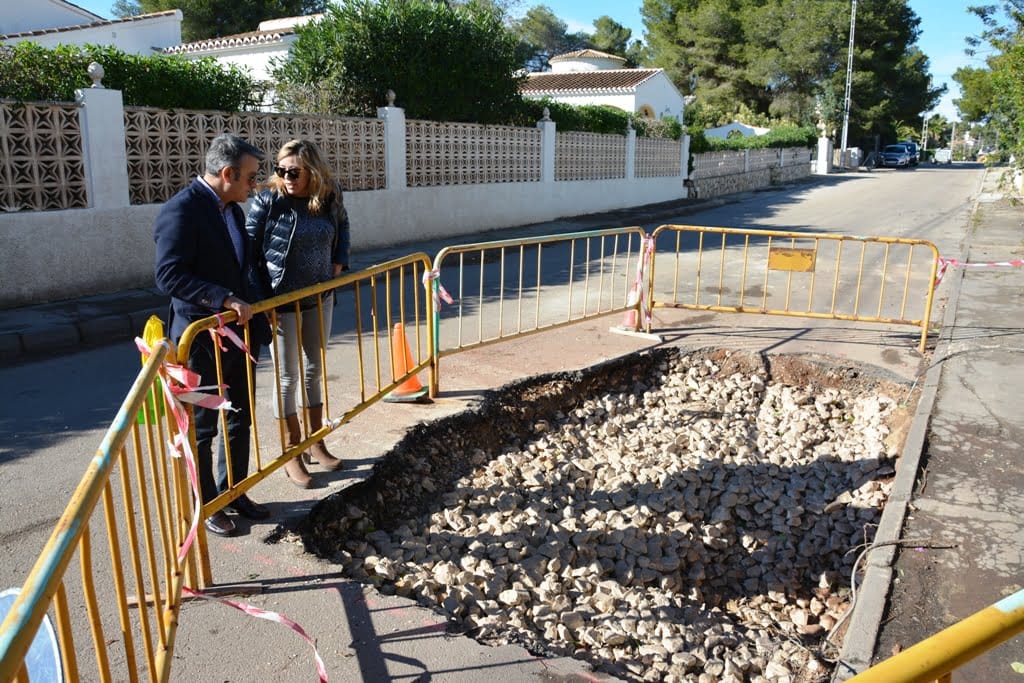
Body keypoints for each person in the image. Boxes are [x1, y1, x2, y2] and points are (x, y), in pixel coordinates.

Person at [154, 133, 272, 537]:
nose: (255, 186)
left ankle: (234, 490)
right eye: (251, 178)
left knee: (239, 415)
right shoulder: (181, 212)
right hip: (201, 338)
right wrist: (222, 299)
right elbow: (169, 275)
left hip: (236, 334)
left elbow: (243, 269)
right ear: (227, 173)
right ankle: (206, 503)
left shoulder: (232, 210)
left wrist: (254, 305)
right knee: (205, 425)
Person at [246, 139, 350, 487]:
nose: (286, 177)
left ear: (313, 172)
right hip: (281, 302)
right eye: (281, 170)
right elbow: (249, 254)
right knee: (287, 377)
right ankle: (291, 451)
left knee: (312, 371)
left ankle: (314, 441)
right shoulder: (268, 200)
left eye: (294, 172)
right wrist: (263, 302)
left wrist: (340, 261)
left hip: (319, 297)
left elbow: (343, 227)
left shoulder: (329, 196)